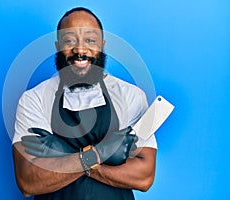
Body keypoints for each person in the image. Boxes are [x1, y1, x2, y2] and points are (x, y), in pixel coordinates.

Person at [12, 7, 157, 200]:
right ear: (58, 46)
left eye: (90, 40)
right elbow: (28, 181)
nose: (80, 50)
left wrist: (64, 157)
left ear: (102, 45)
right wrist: (100, 154)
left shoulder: (132, 96)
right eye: (69, 40)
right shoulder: (34, 99)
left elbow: (144, 177)